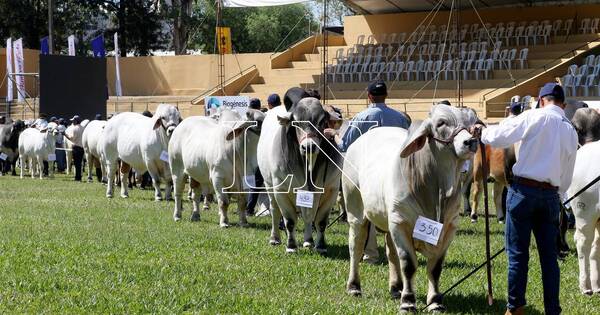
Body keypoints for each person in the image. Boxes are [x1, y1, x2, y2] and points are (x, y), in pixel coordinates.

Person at [474, 83, 577, 315]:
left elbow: (500, 136)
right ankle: (552, 310)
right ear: (563, 104)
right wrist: (557, 196)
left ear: (541, 100)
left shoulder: (534, 116)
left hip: (523, 192)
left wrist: (483, 131)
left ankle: (515, 308)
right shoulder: (570, 129)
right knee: (549, 260)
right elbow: (567, 174)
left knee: (518, 256)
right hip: (550, 195)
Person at [325, 80, 411, 264]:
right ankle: (395, 253)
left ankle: (371, 254)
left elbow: (345, 145)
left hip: (367, 168)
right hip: (394, 170)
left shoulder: (361, 117)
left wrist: (333, 133)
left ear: (369, 96)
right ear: (386, 95)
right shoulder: (400, 118)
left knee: (365, 212)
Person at [64, 115, 85, 181]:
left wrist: (65, 134)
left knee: (77, 164)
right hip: (82, 148)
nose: (72, 122)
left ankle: (78, 177)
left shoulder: (74, 128)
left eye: (73, 120)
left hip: (76, 148)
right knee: (80, 163)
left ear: (76, 121)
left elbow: (72, 139)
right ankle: (78, 176)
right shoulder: (83, 128)